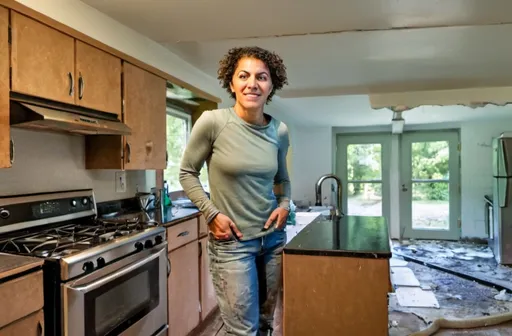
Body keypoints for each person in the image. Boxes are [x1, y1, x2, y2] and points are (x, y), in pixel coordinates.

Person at [179, 46, 291, 336]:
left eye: (261, 77)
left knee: (266, 324)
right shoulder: (213, 122)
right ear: (231, 83)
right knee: (243, 331)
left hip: (273, 240)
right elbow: (187, 173)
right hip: (232, 244)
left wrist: (285, 204)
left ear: (271, 86)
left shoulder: (279, 131)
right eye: (243, 76)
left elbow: (283, 179)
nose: (252, 83)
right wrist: (212, 213)